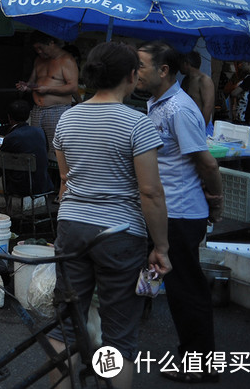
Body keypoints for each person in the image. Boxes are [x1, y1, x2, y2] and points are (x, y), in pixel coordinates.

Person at [49, 42, 171, 388]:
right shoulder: (137, 124)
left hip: (72, 226)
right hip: (120, 233)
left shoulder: (67, 117)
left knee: (67, 323)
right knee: (119, 335)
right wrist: (160, 247)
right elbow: (150, 192)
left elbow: (65, 179)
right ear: (132, 76)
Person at [137, 41, 223, 383]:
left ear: (164, 71)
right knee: (164, 281)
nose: (136, 72)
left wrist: (215, 201)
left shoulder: (179, 110)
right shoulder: (156, 104)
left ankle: (201, 365)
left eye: (141, 66)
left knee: (187, 289)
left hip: (182, 213)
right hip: (163, 210)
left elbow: (207, 162)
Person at [16, 33, 77, 184]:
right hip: (38, 110)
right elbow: (33, 82)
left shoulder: (66, 60)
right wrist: (26, 86)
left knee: (57, 150)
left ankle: (60, 185)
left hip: (57, 109)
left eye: (41, 48)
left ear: (51, 43)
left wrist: (47, 89)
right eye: (36, 49)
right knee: (35, 147)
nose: (39, 52)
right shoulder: (39, 60)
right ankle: (39, 182)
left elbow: (72, 86)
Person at [0, 99, 52, 199]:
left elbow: (0, 160)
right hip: (44, 184)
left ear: (9, 117)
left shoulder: (12, 137)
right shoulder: (40, 132)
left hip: (21, 187)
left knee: (3, 160)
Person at [179, 51, 215, 127]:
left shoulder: (204, 80)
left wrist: (202, 128)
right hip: (187, 124)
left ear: (186, 64)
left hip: (199, 125)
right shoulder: (186, 80)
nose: (179, 67)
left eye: (180, 63)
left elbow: (208, 106)